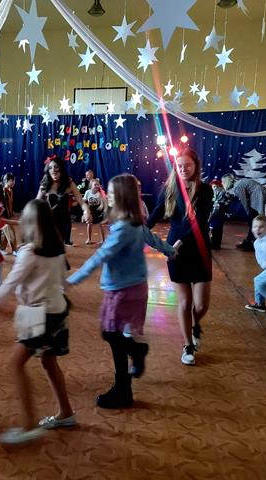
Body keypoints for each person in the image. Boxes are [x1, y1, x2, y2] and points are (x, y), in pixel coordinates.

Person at [68, 174, 176, 408]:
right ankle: (128, 375)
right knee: (114, 335)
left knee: (111, 335)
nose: (108, 197)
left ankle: (131, 367)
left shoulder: (123, 228)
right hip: (135, 288)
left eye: (112, 194)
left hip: (121, 291)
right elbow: (154, 239)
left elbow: (101, 256)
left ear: (124, 198)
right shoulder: (134, 223)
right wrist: (171, 250)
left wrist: (73, 279)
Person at [0, 199, 74, 444]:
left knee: (16, 365)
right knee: (48, 361)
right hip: (57, 311)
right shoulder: (56, 249)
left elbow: (10, 283)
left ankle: (28, 426)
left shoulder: (29, 252)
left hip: (36, 313)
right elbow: (62, 282)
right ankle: (65, 412)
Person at [148, 149, 213, 366]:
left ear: (196, 166)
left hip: (199, 249)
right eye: (180, 165)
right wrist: (138, 231)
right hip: (176, 251)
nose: (183, 169)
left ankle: (195, 324)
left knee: (201, 305)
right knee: (185, 302)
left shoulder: (205, 190)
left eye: (188, 165)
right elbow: (156, 213)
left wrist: (181, 242)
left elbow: (200, 222)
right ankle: (188, 345)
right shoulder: (169, 188)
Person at [37, 156, 92, 245]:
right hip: (48, 221)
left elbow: (81, 202)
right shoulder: (44, 185)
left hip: (64, 222)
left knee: (60, 246)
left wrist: (86, 212)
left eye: (56, 167)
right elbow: (36, 203)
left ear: (61, 169)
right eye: (50, 168)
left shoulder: (69, 184)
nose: (53, 170)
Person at [222, 174, 266, 251]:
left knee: (253, 221)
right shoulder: (237, 184)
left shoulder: (238, 187)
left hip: (258, 196)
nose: (222, 183)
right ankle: (249, 241)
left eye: (223, 182)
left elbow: (244, 202)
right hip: (257, 195)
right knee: (253, 221)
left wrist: (248, 212)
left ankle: (251, 243)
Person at [83, 179, 108, 244]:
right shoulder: (88, 192)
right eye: (95, 185)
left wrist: (101, 206)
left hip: (97, 209)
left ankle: (103, 240)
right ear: (91, 186)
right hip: (90, 209)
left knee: (100, 225)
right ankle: (89, 239)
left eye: (98, 185)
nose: (97, 186)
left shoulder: (99, 193)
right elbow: (84, 200)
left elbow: (102, 202)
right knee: (89, 224)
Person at [0, 172, 18, 254]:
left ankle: (2, 248)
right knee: (11, 232)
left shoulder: (11, 191)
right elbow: (3, 205)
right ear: (7, 181)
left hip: (9, 215)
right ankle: (15, 250)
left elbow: (10, 203)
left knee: (5, 232)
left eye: (14, 180)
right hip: (4, 216)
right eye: (12, 180)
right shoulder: (3, 191)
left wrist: (12, 212)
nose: (14, 182)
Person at [208, 179, 229, 250]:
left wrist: (209, 218)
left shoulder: (218, 200)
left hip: (216, 217)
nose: (215, 188)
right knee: (217, 230)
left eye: (216, 186)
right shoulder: (221, 198)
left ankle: (215, 245)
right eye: (213, 187)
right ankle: (216, 244)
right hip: (219, 217)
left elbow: (215, 211)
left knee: (216, 231)